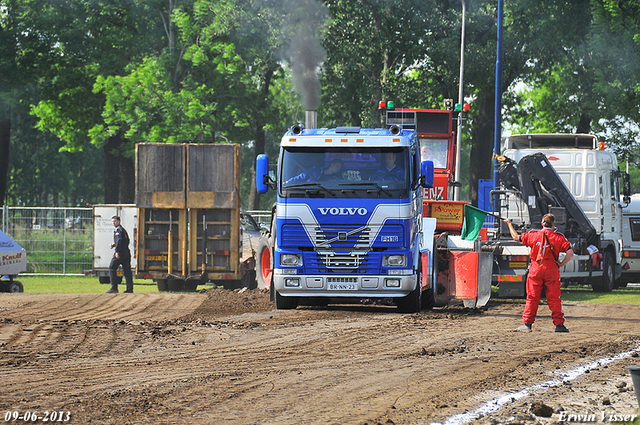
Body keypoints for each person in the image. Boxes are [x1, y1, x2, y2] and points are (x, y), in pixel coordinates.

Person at [503, 213, 574, 333]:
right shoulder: (558, 238)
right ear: (554, 225)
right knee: (554, 298)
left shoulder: (533, 236)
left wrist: (509, 224)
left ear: (542, 224)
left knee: (532, 297)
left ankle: (527, 324)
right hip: (551, 268)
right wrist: (561, 264)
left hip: (536, 268)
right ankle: (559, 325)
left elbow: (516, 237)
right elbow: (570, 252)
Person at [106, 215, 134, 294]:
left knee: (112, 267)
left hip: (120, 253)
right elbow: (126, 241)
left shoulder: (118, 231)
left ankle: (114, 287)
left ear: (119, 221)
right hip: (126, 253)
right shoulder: (123, 230)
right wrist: (114, 244)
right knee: (127, 271)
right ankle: (129, 289)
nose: (113, 223)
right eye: (112, 221)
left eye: (114, 221)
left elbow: (120, 241)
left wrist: (117, 251)